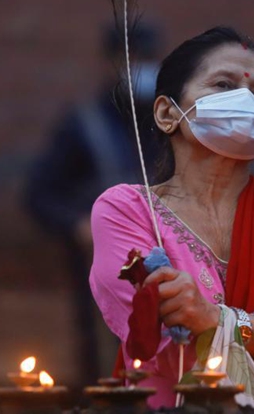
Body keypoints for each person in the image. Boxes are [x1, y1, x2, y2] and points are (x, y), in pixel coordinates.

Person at [89, 26, 254, 408]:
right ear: (166, 113)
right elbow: (152, 331)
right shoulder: (126, 211)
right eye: (224, 86)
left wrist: (216, 319)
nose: (245, 99)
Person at [24, 24, 162, 384]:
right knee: (107, 368)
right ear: (111, 63)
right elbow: (39, 193)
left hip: (168, 269)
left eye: (149, 58)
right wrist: (77, 225)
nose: (142, 68)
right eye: (132, 59)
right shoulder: (85, 126)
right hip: (103, 272)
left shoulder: (170, 125)